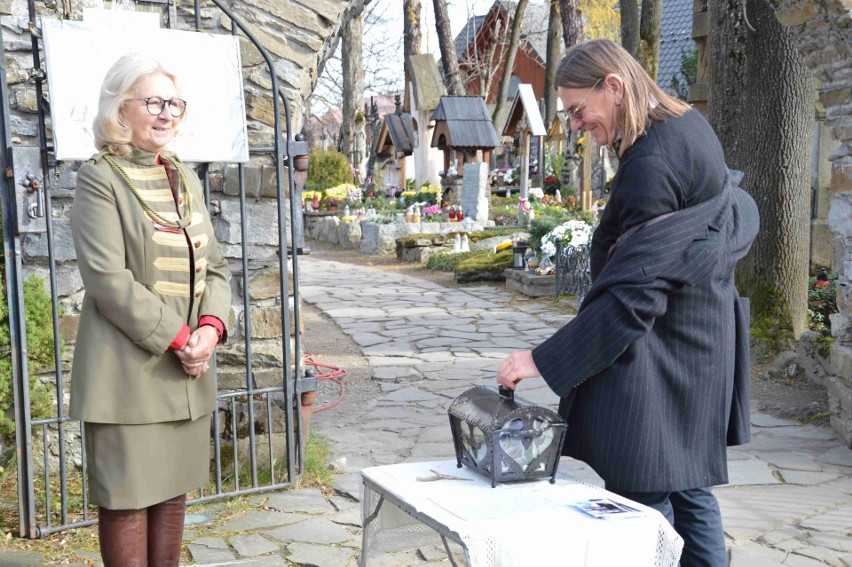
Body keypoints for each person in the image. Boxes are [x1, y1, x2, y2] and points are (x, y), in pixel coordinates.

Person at [496, 39, 759, 566]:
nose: (575, 123)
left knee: (645, 494)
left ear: (613, 87)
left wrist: (541, 360)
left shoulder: (653, 161)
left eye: (577, 109)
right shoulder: (682, 123)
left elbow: (634, 296)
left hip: (664, 348)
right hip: (701, 333)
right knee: (690, 486)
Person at [70, 53, 231, 567]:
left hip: (185, 375)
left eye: (175, 104)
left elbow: (217, 268)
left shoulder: (182, 175)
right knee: (126, 502)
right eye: (154, 102)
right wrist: (182, 339)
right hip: (127, 374)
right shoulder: (98, 178)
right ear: (120, 110)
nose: (167, 114)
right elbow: (107, 281)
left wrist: (210, 328)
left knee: (173, 494)